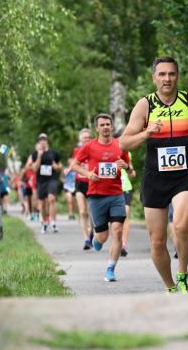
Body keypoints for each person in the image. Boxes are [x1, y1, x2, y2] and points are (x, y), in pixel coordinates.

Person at [120, 56, 188, 293]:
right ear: (154, 78)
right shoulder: (145, 105)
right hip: (155, 178)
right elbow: (124, 142)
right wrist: (146, 133)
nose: (167, 79)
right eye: (162, 74)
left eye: (171, 74)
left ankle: (182, 273)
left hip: (184, 175)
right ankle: (170, 287)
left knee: (180, 226)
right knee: (157, 241)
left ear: (177, 76)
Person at [71, 113, 130, 282]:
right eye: (102, 125)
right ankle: (97, 239)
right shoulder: (89, 146)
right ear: (97, 128)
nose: (105, 127)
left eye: (108, 124)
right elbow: (74, 165)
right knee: (103, 236)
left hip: (116, 194)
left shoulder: (120, 145)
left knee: (117, 231)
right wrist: (88, 174)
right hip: (97, 196)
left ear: (111, 126)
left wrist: (126, 166)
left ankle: (110, 269)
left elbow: (129, 168)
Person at [31, 133, 62, 233]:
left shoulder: (53, 153)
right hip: (41, 181)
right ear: (39, 142)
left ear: (47, 141)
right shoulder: (35, 154)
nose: (43, 141)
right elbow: (34, 169)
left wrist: (57, 167)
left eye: (44, 139)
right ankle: (44, 223)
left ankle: (53, 222)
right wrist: (39, 156)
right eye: (41, 140)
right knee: (42, 204)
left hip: (51, 180)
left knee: (51, 199)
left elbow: (60, 166)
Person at [72, 128, 94, 250]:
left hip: (91, 184)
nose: (86, 140)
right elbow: (74, 164)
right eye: (84, 138)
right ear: (80, 140)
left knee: (91, 212)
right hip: (79, 183)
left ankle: (91, 233)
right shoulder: (77, 151)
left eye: (88, 138)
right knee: (82, 211)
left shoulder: (94, 150)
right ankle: (86, 239)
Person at [119, 150, 136, 257]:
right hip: (112, 189)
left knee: (125, 216)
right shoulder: (106, 151)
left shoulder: (126, 153)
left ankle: (123, 245)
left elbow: (132, 172)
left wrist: (131, 172)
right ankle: (117, 242)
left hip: (125, 188)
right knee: (113, 219)